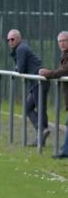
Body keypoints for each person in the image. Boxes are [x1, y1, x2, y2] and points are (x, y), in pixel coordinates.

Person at [7, 29, 51, 147]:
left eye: (12, 39)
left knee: (40, 108)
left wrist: (16, 68)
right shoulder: (20, 49)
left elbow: (20, 69)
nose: (10, 42)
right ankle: (41, 132)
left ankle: (42, 131)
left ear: (18, 39)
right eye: (8, 40)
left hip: (39, 81)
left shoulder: (21, 49)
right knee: (28, 107)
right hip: (36, 82)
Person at [39, 31, 68, 159]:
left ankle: (65, 151)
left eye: (64, 40)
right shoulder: (64, 55)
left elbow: (64, 71)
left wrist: (48, 73)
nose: (62, 43)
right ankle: (65, 149)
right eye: (60, 41)